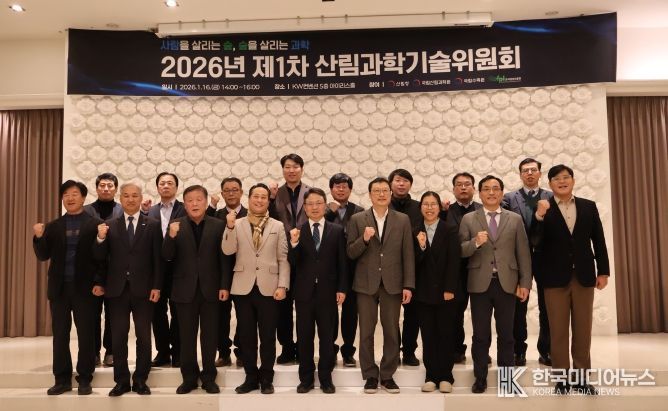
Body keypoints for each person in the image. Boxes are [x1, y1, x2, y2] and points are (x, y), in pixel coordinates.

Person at [531, 164, 610, 395]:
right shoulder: (543, 208)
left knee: (583, 329)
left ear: (573, 181)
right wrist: (539, 216)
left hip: (584, 276)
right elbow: (534, 241)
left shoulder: (588, 206)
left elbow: (599, 240)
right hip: (554, 279)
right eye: (556, 179)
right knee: (557, 331)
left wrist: (603, 271)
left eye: (566, 177)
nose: (562, 181)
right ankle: (561, 379)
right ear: (550, 184)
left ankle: (582, 378)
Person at [459, 175, 532, 394]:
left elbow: (523, 253)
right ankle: (480, 378)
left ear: (501, 192)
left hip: (507, 283)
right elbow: (460, 251)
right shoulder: (469, 219)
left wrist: (525, 283)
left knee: (507, 334)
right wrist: (475, 243)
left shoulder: (514, 219)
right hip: (479, 284)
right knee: (480, 335)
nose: (491, 192)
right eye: (486, 189)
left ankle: (507, 379)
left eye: (495, 188)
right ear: (479, 193)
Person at [93, 182, 163, 396]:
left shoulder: (152, 225)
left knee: (144, 337)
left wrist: (157, 286)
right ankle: (121, 381)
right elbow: (100, 259)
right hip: (117, 290)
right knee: (118, 338)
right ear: (120, 198)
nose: (130, 199)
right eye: (126, 196)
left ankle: (141, 380)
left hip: (144, 290)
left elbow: (158, 259)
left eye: (134, 195)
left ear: (140, 198)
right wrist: (100, 239)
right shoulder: (109, 225)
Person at [347, 177, 415, 394]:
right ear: (370, 195)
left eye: (385, 190)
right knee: (366, 332)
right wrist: (364, 239)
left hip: (393, 283)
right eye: (377, 191)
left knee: (392, 331)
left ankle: (387, 375)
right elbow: (350, 252)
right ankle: (369, 375)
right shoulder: (358, 219)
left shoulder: (402, 219)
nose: (382, 194)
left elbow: (408, 254)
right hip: (365, 283)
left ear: (390, 193)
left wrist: (408, 285)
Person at [32, 180, 101, 396]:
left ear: (83, 197)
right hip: (59, 289)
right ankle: (61, 379)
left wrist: (99, 282)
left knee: (86, 334)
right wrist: (38, 237)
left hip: (85, 289)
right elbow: (43, 255)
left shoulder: (95, 224)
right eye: (66, 195)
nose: (69, 198)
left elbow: (102, 259)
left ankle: (85, 378)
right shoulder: (53, 226)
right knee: (60, 335)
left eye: (74, 194)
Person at [222, 183, 290, 395]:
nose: (259, 200)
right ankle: (250, 377)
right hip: (243, 287)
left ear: (268, 200)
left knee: (268, 336)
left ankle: (267, 378)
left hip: (270, 287)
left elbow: (283, 258)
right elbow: (228, 250)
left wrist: (282, 285)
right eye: (256, 196)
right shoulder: (236, 223)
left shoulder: (278, 226)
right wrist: (229, 227)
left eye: (263, 197)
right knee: (246, 336)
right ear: (249, 198)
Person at [162, 185, 228, 395]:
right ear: (185, 204)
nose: (195, 203)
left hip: (211, 289)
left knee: (210, 336)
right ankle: (189, 378)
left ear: (206, 202)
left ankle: (209, 377)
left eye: (199, 199)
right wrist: (170, 237)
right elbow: (167, 256)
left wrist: (224, 285)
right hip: (184, 290)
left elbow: (224, 259)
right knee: (186, 337)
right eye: (190, 200)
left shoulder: (218, 225)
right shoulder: (176, 225)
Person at [289, 187, 348, 394]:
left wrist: (342, 288)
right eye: (310, 204)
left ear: (325, 205)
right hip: (304, 293)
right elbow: (292, 263)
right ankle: (305, 379)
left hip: (328, 292)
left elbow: (342, 263)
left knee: (327, 338)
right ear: (304, 208)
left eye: (318, 203)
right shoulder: (297, 231)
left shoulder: (337, 230)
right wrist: (294, 244)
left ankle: (325, 378)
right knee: (304, 337)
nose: (314, 207)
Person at [502, 158, 553, 366]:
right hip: (517, 258)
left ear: (540, 173)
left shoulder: (551, 197)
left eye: (533, 170)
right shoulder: (508, 198)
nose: (529, 173)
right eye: (525, 170)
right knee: (518, 306)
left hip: (546, 257)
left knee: (547, 306)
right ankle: (518, 351)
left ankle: (546, 350)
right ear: (520, 174)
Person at [413, 191, 460, 393]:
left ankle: (446, 376)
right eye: (426, 204)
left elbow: (454, 261)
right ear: (420, 207)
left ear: (439, 207)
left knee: (446, 334)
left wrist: (450, 288)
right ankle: (431, 375)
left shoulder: (449, 229)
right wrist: (422, 246)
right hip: (423, 292)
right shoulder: (415, 230)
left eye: (433, 204)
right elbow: (412, 262)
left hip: (445, 292)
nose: (430, 208)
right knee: (428, 335)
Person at [269, 153, 310, 364]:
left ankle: (303, 347)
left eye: (295, 166)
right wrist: (270, 198)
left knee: (304, 305)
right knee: (282, 306)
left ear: (302, 169)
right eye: (287, 166)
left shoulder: (311, 192)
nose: (291, 170)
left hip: (305, 256)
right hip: (281, 255)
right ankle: (286, 347)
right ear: (283, 170)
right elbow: (267, 217)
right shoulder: (275, 194)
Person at [143, 172, 186, 368]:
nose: (166, 186)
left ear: (176, 187)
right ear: (157, 187)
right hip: (154, 270)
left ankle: (178, 352)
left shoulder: (185, 209)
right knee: (156, 312)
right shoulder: (149, 211)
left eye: (170, 183)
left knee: (178, 312)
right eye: (162, 183)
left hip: (178, 268)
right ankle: (162, 352)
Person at [325, 172, 364, 367]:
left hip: (352, 268)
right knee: (329, 312)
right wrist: (329, 213)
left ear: (350, 189)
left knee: (350, 313)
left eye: (344, 186)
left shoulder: (359, 211)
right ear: (331, 189)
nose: (341, 189)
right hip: (329, 269)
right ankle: (330, 350)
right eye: (337, 186)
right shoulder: (321, 209)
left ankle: (348, 351)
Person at [207, 177, 247, 367]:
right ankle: (223, 352)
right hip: (220, 272)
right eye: (227, 190)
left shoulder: (250, 214)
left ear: (241, 192)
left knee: (244, 315)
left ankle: (242, 351)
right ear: (222, 194)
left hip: (244, 272)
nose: (231, 193)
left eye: (235, 190)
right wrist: (211, 206)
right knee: (220, 316)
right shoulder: (215, 215)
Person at [84, 172, 122, 367]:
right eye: (102, 185)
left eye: (110, 185)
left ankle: (111, 351)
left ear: (115, 189)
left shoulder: (122, 210)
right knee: (91, 315)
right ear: (97, 188)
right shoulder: (86, 211)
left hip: (116, 272)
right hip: (91, 272)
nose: (106, 189)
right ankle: (93, 352)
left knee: (113, 315)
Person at [445, 172, 483, 364]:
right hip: (455, 271)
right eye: (459, 184)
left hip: (479, 268)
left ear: (474, 188)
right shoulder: (445, 211)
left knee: (481, 314)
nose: (463, 187)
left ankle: (481, 352)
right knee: (454, 313)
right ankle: (456, 349)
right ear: (453, 189)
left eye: (467, 184)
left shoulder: (484, 210)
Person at [387, 169, 421, 366]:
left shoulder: (419, 207)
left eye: (405, 181)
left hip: (414, 267)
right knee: (391, 315)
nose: (401, 184)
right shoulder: (382, 206)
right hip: (388, 268)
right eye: (398, 180)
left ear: (410, 184)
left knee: (413, 314)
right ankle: (392, 351)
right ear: (390, 184)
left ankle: (409, 351)